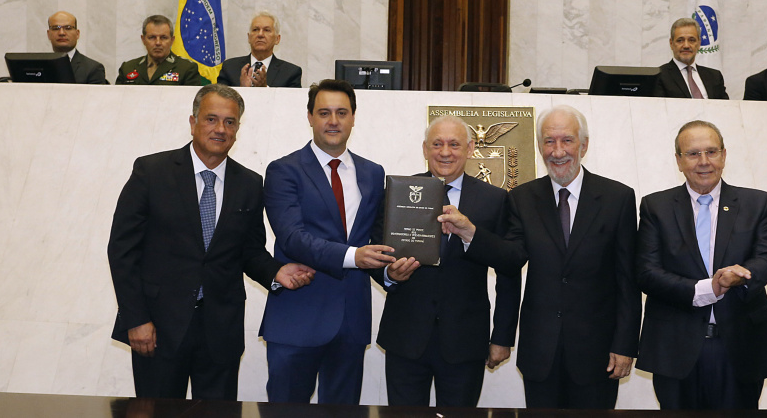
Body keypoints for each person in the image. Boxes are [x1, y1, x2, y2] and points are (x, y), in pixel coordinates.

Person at [107, 84, 315, 400]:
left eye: (230, 122)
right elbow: (121, 251)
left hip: (221, 331)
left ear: (237, 129)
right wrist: (136, 319)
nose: (220, 129)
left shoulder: (248, 183)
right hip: (158, 328)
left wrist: (277, 272)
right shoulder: (151, 172)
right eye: (211, 119)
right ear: (193, 123)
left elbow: (248, 250)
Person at [469, 105, 640, 409]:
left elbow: (627, 279)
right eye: (549, 142)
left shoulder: (618, 198)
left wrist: (625, 345)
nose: (558, 151)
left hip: (598, 353)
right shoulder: (522, 198)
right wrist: (471, 234)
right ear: (539, 147)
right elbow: (510, 261)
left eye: (567, 141)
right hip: (540, 354)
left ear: (584, 145)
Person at [635, 120, 767, 409]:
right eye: (693, 154)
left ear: (724, 155)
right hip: (675, 346)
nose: (704, 162)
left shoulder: (756, 202)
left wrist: (742, 276)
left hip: (740, 345)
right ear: (679, 160)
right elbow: (646, 272)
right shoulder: (655, 206)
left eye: (711, 152)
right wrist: (708, 288)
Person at [370, 115, 521, 407]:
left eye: (454, 144)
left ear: (470, 148)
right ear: (425, 149)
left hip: (465, 342)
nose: (445, 152)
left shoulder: (495, 199)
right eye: (437, 144)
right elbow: (377, 254)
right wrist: (390, 275)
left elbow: (510, 266)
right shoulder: (398, 192)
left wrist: (502, 336)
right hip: (405, 337)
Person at [261, 79, 395, 404]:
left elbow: (377, 238)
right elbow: (293, 238)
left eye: (341, 112)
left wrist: (392, 270)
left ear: (353, 117)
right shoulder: (284, 170)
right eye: (324, 112)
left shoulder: (374, 174)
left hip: (351, 321)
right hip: (298, 316)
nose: (333, 121)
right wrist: (354, 257)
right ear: (309, 117)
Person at [217, 12, 302, 88]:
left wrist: (265, 89)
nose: (260, 34)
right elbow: (218, 101)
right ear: (249, 37)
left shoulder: (290, 73)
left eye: (267, 30)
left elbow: (291, 103)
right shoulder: (229, 67)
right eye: (255, 29)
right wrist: (241, 90)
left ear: (277, 39)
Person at [654, 18, 729, 99]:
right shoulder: (659, 76)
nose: (686, 45)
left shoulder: (715, 77)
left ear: (699, 43)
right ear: (671, 44)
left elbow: (725, 108)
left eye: (692, 40)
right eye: (680, 40)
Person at [116, 15, 201, 85]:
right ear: (143, 40)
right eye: (152, 37)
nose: (158, 42)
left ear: (172, 40)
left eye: (163, 38)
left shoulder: (186, 69)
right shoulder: (128, 68)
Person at [46, 11, 107, 84]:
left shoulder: (93, 69)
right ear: (48, 34)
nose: (61, 33)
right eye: (56, 28)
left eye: (68, 28)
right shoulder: (40, 65)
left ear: (77, 34)